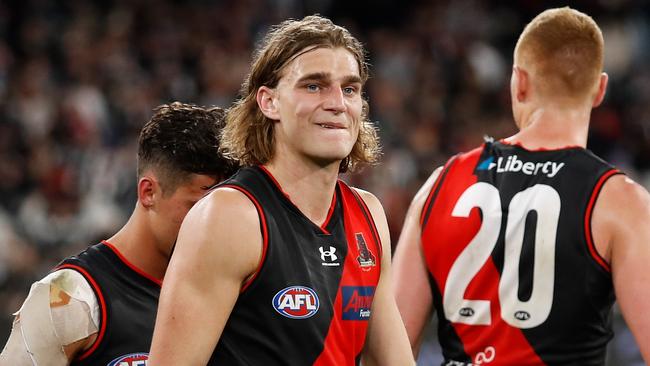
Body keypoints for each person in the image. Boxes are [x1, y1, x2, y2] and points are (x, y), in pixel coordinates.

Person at [148, 15, 415, 366]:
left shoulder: (367, 213)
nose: (337, 102)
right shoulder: (231, 216)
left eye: (349, 89)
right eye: (314, 86)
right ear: (268, 102)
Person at [393, 7, 650, 365]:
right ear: (600, 89)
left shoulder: (442, 183)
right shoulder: (619, 201)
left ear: (520, 81)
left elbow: (388, 351)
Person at [0, 102, 238, 365]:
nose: (213, 223)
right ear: (148, 192)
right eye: (198, 206)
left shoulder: (233, 296)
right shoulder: (71, 297)